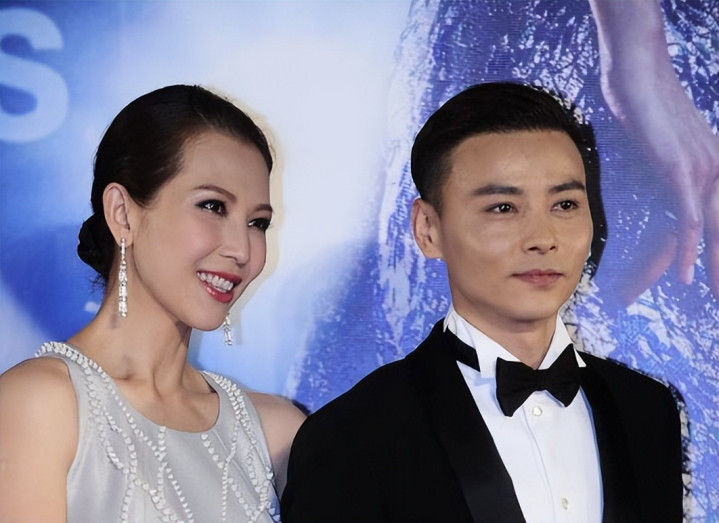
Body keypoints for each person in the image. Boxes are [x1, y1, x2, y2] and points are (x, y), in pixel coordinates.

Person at [281, 82, 683, 522]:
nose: (543, 239)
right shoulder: (354, 433)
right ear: (428, 229)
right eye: (503, 208)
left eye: (565, 204)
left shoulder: (646, 410)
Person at [0, 84, 305, 522]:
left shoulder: (275, 432)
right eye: (213, 206)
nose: (243, 249)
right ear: (122, 213)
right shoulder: (38, 405)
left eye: (257, 223)